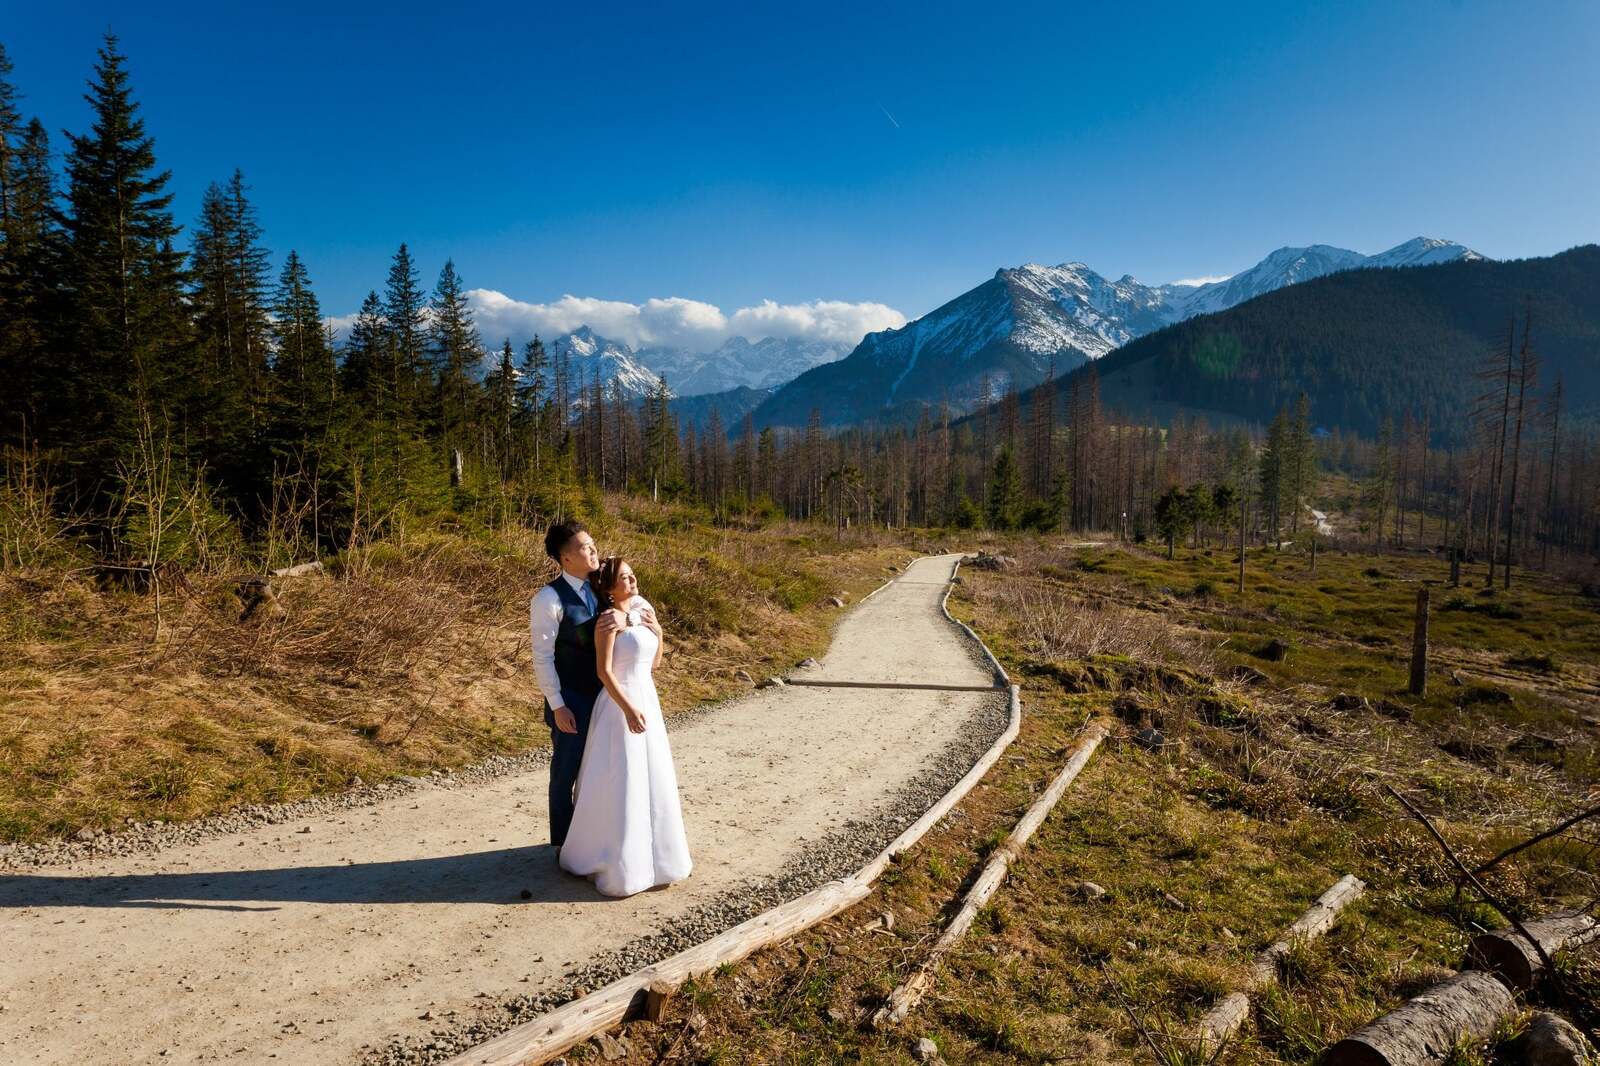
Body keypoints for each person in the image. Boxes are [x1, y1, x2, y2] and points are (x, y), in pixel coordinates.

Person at [557, 555, 692, 897]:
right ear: (609, 586)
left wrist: (658, 631)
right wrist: (629, 709)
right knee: (622, 778)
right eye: (625, 578)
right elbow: (604, 672)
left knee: (653, 776)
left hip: (647, 697)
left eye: (633, 575)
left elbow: (655, 664)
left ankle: (657, 859)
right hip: (620, 703)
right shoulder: (607, 620)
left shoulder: (644, 609)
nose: (633, 582)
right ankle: (613, 860)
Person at [530, 520, 621, 851]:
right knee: (565, 773)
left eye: (593, 543)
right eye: (585, 547)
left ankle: (592, 841)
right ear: (565, 557)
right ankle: (563, 846)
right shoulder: (548, 598)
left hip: (605, 698)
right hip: (572, 699)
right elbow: (542, 657)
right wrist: (557, 705)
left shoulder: (601, 588)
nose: (594, 550)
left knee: (601, 771)